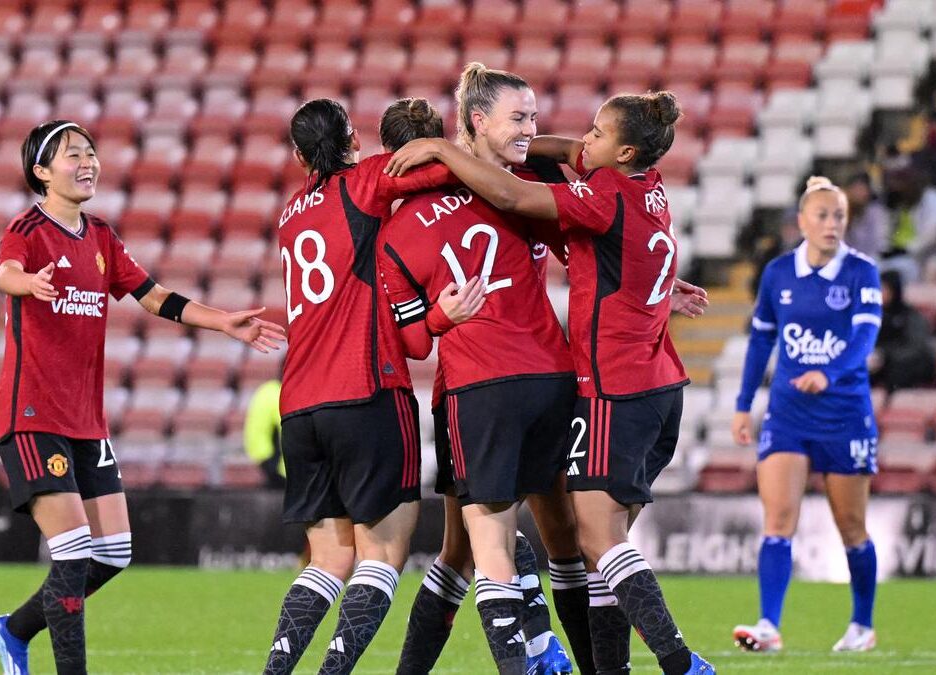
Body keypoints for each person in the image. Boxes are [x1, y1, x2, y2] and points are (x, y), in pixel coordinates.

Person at [386, 91, 714, 675]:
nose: (576, 140)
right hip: (596, 380)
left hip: (562, 386)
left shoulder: (408, 226)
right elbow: (575, 176)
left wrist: (449, 148)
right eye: (521, 118)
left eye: (596, 134)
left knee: (545, 545)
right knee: (574, 546)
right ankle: (603, 669)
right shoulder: (635, 181)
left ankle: (676, 662)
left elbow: (415, 340)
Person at [0, 120, 286, 675]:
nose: (88, 162)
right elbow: (5, 271)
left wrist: (221, 321)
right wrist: (25, 283)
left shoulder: (100, 236)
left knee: (113, 554)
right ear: (42, 171)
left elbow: (151, 295)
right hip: (33, 415)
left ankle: (13, 629)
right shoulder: (26, 229)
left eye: (91, 153)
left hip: (86, 423)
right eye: (74, 155)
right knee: (72, 552)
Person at [377, 73, 581, 675]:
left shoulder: (396, 230)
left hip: (474, 389)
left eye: (530, 118)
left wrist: (440, 314)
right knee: (504, 544)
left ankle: (537, 653)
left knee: (480, 545)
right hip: (551, 376)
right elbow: (583, 230)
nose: (529, 129)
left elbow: (413, 341)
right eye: (518, 117)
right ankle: (557, 650)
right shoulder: (520, 186)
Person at [263, 98, 455, 675]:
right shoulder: (364, 181)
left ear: (298, 156)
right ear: (353, 141)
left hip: (298, 403)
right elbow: (449, 170)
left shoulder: (290, 215)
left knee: (327, 559)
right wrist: (444, 144)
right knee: (384, 552)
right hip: (366, 388)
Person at [731, 176, 882, 654]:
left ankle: (862, 624)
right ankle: (768, 626)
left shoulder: (862, 272)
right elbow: (760, 341)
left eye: (839, 215)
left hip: (845, 413)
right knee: (778, 519)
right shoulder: (778, 273)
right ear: (802, 222)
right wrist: (742, 403)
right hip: (789, 412)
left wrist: (829, 373)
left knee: (852, 527)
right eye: (823, 215)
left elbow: (863, 341)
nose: (833, 223)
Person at [871, 270, 936, 391]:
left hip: (907, 364)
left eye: (883, 289)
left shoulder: (910, 316)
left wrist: (886, 356)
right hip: (879, 363)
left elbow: (916, 347)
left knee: (900, 372)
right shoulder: (873, 316)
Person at [843, 173, 890, 260]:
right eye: (855, 189)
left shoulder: (876, 212)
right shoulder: (842, 213)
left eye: (862, 189)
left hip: (873, 260)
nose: (858, 194)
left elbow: (880, 244)